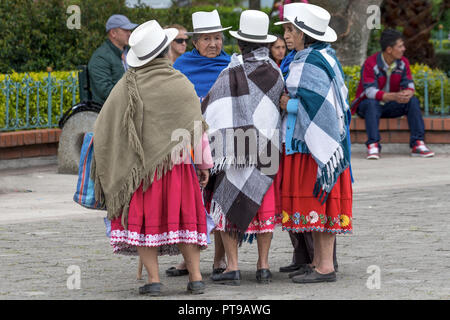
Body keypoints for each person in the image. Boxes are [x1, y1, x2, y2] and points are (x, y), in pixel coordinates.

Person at [91, 20, 213, 295]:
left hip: (143, 173)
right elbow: (197, 128)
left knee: (146, 225)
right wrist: (204, 164)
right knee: (184, 222)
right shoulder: (181, 84)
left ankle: (154, 281)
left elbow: (106, 126)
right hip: (180, 169)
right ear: (166, 52)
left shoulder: (127, 86)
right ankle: (195, 278)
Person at [203, 9, 285, 285]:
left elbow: (212, 111)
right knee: (264, 205)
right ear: (264, 43)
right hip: (266, 150)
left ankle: (233, 268)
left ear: (239, 43)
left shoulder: (230, 72)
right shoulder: (276, 73)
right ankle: (263, 266)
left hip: (234, 150)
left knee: (227, 201)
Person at [279, 4, 353, 283]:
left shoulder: (310, 61)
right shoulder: (323, 57)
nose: (286, 36)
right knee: (319, 205)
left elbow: (316, 105)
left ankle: (325, 267)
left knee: (318, 203)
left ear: (304, 34)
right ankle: (318, 262)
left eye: (290, 30)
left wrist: (289, 103)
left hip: (317, 147)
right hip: (319, 144)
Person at [166, 9, 232, 277]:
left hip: (225, 142)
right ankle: (188, 260)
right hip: (189, 141)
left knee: (219, 201)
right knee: (190, 202)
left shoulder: (230, 65)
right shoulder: (182, 67)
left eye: (217, 38)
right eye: (207, 39)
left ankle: (219, 259)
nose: (214, 44)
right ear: (195, 42)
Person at [351, 29, 434, 159]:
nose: (403, 49)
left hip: (389, 105)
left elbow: (410, 85)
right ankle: (373, 145)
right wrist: (394, 96)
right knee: (371, 103)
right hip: (368, 106)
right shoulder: (370, 63)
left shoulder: (403, 62)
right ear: (389, 49)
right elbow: (369, 92)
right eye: (400, 46)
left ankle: (418, 143)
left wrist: (408, 93)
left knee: (413, 101)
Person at [88, 14, 138, 106]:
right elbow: (105, 91)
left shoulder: (131, 52)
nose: (130, 33)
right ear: (113, 33)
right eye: (125, 30)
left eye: (130, 30)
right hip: (111, 110)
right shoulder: (100, 57)